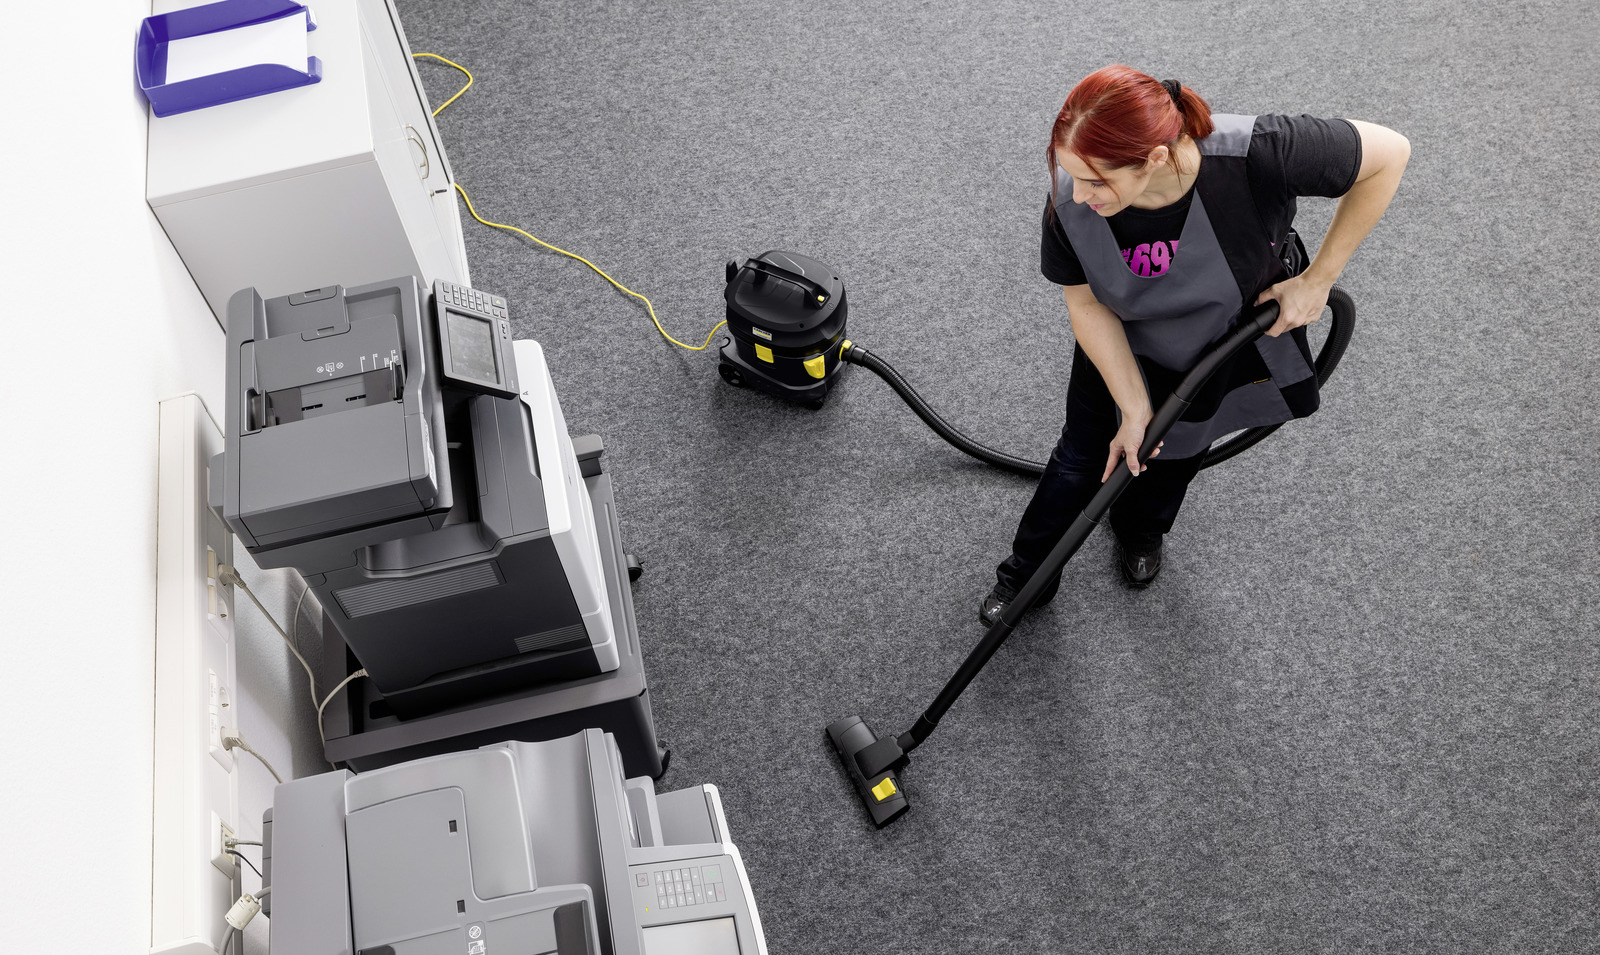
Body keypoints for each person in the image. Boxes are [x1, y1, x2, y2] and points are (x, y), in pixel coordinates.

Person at [982, 65, 1410, 627]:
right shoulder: (1071, 200)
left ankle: (1141, 529)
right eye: (1071, 175)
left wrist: (1318, 280)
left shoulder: (1258, 154)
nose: (1078, 196)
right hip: (1121, 341)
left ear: (1155, 158)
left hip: (1221, 340)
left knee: (1178, 452)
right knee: (1080, 456)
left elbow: (1390, 153)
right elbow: (1085, 306)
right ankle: (1025, 577)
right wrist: (1134, 406)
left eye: (1097, 182)